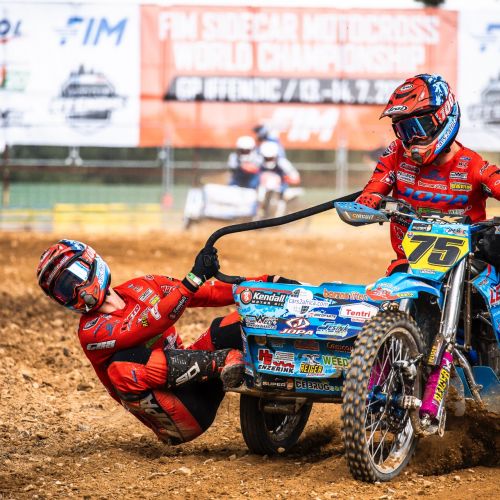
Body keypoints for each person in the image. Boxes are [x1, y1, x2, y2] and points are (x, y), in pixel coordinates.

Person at [36, 239, 292, 445]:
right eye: (64, 291)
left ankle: (294, 371)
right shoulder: (91, 332)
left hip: (200, 377)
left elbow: (210, 293)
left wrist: (267, 284)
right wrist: (192, 280)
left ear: (92, 262)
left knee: (247, 319)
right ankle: (228, 361)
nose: (77, 291)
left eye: (75, 276)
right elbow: (150, 323)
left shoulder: (144, 285)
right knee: (122, 368)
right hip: (183, 414)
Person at [355, 73, 500, 273]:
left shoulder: (473, 166)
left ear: (443, 116)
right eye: (403, 130)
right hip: (409, 267)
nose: (412, 138)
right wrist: (369, 203)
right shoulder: (397, 153)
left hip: (466, 266)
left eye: (418, 127)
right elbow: (370, 193)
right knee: (387, 291)